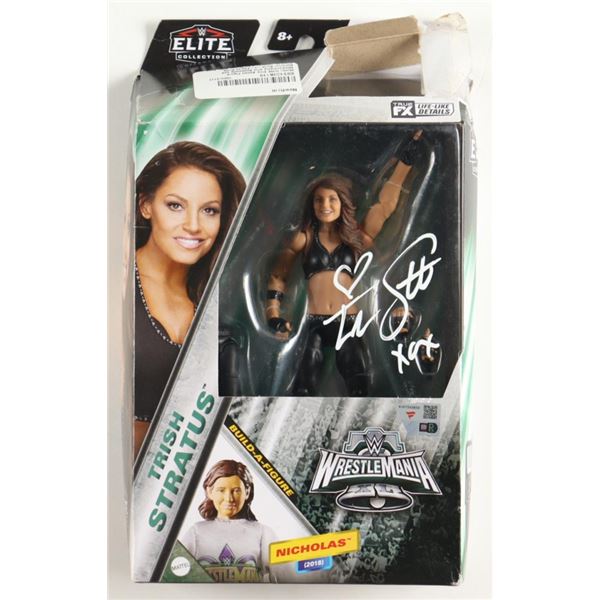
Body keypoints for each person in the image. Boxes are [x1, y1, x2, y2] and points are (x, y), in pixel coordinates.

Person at [265, 131, 423, 396]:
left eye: (332, 199)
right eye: (319, 199)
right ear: (311, 203)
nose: (325, 205)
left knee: (360, 385)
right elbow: (278, 276)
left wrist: (405, 160)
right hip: (313, 323)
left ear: (342, 202)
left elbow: (385, 206)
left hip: (348, 322)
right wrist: (273, 315)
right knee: (302, 387)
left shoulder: (357, 239)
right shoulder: (303, 238)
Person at [134, 142, 245, 456]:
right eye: (175, 206)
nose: (194, 225)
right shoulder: (111, 283)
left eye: (209, 210)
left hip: (197, 479)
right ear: (146, 205)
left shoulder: (218, 302)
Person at [179, 459, 278, 583]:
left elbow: (286, 578)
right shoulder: (196, 532)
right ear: (210, 491)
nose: (229, 498)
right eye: (221, 490)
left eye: (236, 490)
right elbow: (176, 574)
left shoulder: (263, 533)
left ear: (247, 492)